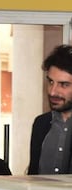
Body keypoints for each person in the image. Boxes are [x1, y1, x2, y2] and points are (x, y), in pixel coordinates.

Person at [28, 44, 72, 175]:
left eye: (64, 85)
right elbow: (33, 176)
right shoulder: (41, 124)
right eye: (51, 82)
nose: (52, 92)